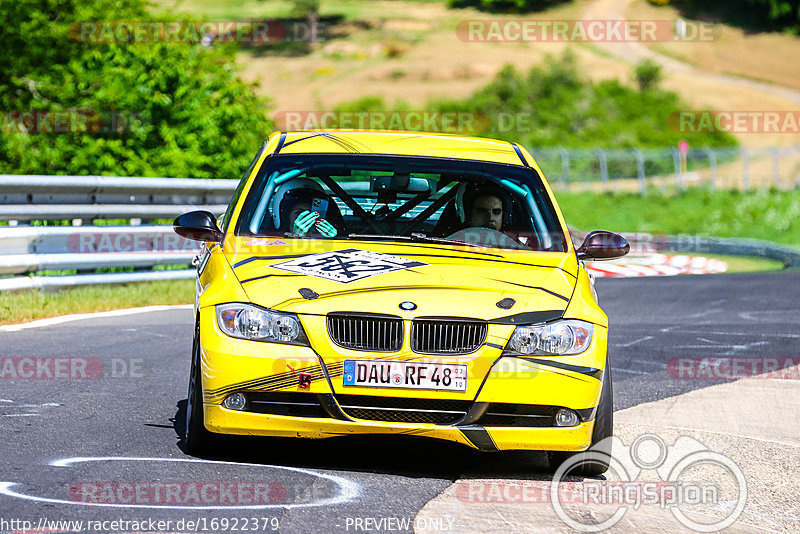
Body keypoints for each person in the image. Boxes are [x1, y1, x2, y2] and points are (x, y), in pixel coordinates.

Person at [269, 178, 339, 237]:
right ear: (285, 218)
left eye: (315, 213)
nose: (310, 219)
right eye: (299, 213)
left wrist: (332, 241)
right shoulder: (270, 241)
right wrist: (297, 238)